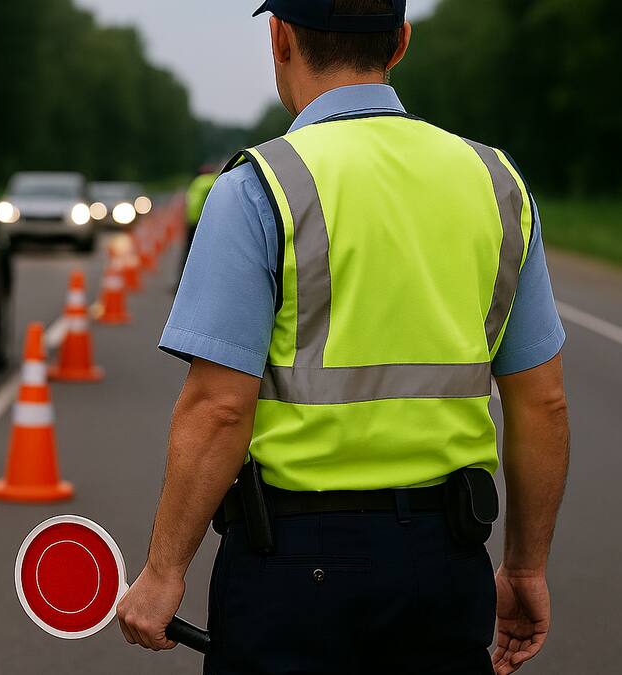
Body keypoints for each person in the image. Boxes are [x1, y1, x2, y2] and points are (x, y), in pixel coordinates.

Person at [115, 2, 570, 674]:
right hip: (445, 565)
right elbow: (543, 402)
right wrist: (525, 565)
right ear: (401, 42)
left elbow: (219, 406)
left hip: (294, 570)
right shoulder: (496, 182)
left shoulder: (257, 188)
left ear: (280, 38)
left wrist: (162, 573)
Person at [183, 165, 219, 273]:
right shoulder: (213, 181)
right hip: (204, 221)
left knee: (189, 251)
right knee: (205, 251)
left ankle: (185, 276)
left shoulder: (196, 182)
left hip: (191, 219)